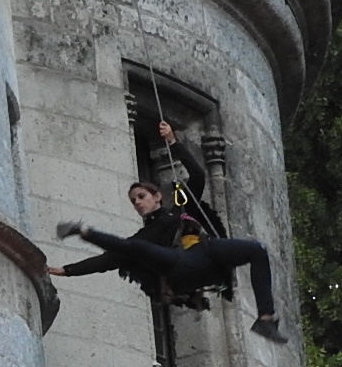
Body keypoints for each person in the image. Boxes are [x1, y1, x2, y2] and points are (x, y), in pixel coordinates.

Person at [49, 126, 286, 343]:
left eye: (141, 197)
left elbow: (198, 176)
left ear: (157, 197)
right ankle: (83, 231)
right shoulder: (145, 235)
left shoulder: (178, 210)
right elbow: (108, 260)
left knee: (257, 250)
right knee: (133, 247)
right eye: (133, 201)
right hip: (178, 268)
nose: (138, 203)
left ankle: (265, 319)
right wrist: (67, 271)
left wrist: (173, 142)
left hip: (205, 258)